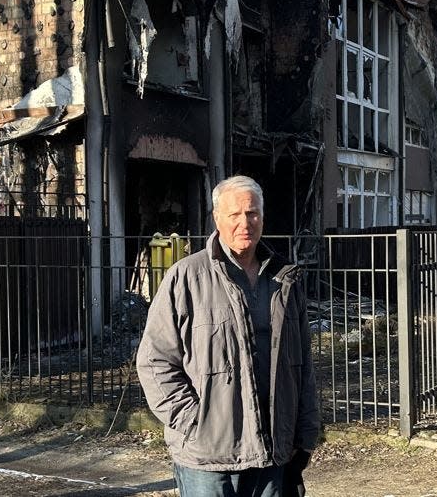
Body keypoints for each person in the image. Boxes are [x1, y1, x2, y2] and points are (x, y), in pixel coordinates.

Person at [137, 175, 319, 497]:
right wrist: (195, 422)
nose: (244, 223)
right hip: (207, 458)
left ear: (262, 216)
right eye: (234, 215)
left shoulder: (284, 282)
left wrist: (304, 435)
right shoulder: (186, 278)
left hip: (272, 453)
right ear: (217, 218)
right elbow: (155, 361)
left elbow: (302, 365)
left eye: (252, 213)